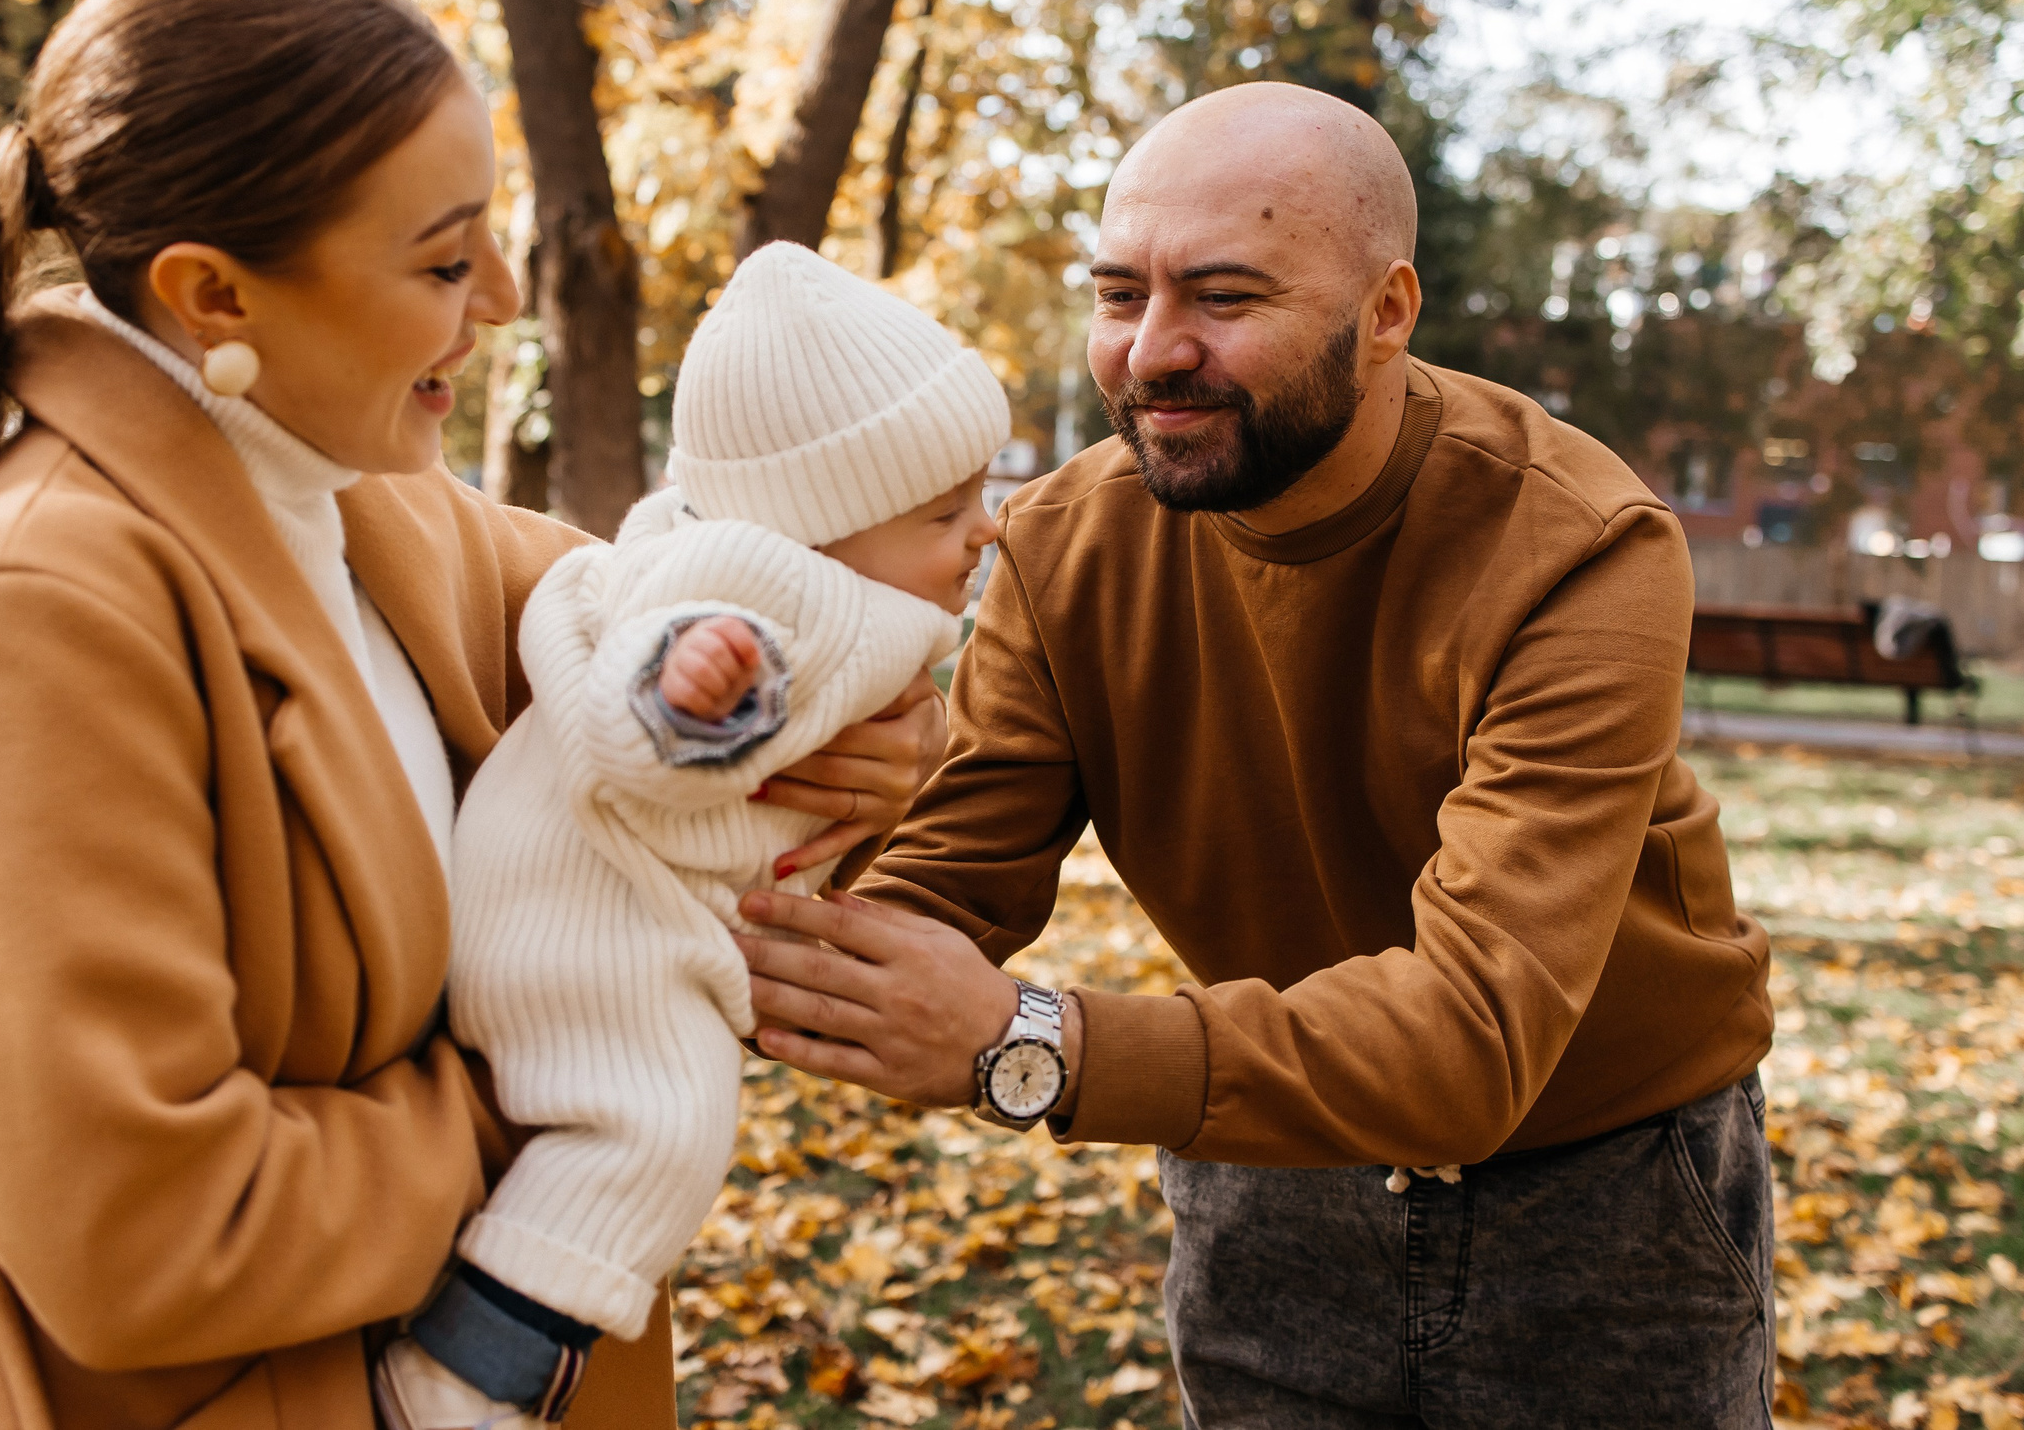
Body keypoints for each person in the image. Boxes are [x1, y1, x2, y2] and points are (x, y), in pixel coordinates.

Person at [0, 0, 945, 1430]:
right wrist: (564, 1099)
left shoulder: (377, 506)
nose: (501, 296)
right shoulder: (33, 614)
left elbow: (741, 665)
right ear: (212, 292)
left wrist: (879, 732)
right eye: (444, 261)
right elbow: (149, 1232)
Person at [736, 82, 1778, 1427]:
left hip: (1607, 1191)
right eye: (1120, 295)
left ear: (1387, 311)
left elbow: (1472, 1040)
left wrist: (1030, 1040)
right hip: (1262, 1158)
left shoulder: (1578, 540)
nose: (1152, 352)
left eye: (1221, 297)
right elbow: (944, 883)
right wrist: (794, 838)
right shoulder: (1063, 544)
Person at [379, 241, 1008, 1429]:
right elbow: (642, 717)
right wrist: (690, 697)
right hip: (599, 922)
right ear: (823, 526)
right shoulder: (765, 594)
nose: (983, 532)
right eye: (944, 510)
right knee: (654, 1135)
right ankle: (462, 1382)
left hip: (581, 897)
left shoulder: (742, 558)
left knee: (651, 1134)